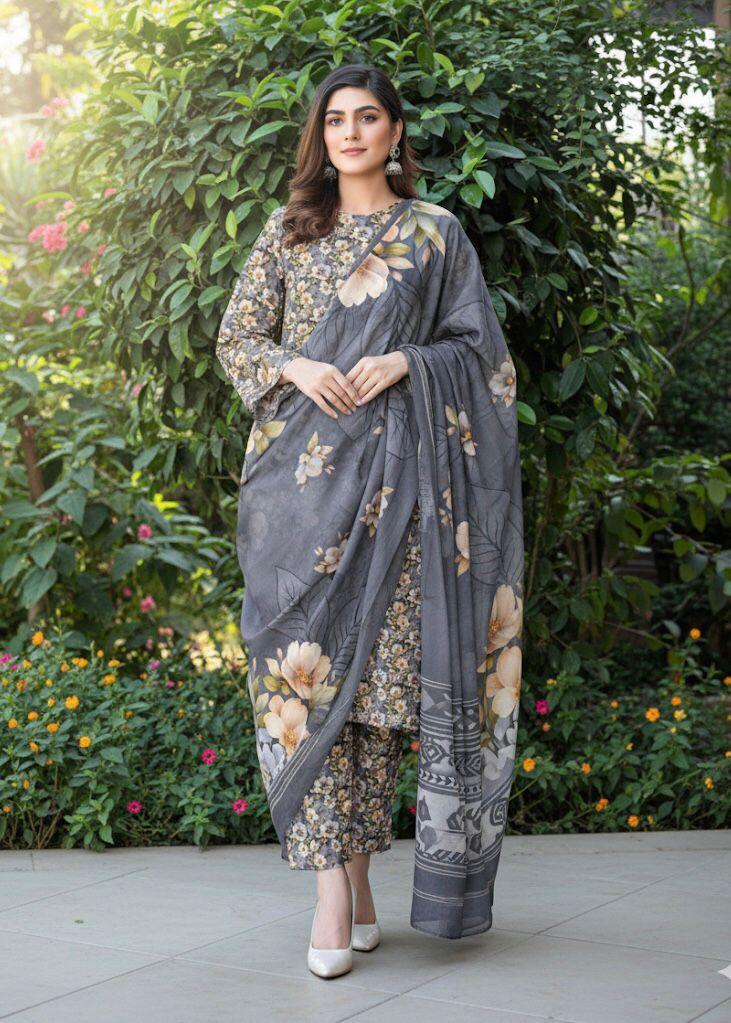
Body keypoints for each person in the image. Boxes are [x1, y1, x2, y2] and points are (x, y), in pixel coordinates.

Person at [216, 64, 525, 979]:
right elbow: (238, 337)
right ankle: (334, 887)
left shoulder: (434, 233)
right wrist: (298, 367)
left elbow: (483, 357)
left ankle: (347, 883)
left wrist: (406, 363)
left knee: (375, 695)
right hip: (294, 495)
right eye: (334, 120)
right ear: (320, 136)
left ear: (394, 132)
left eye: (367, 117)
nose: (349, 133)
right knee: (300, 687)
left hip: (401, 495)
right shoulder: (290, 229)